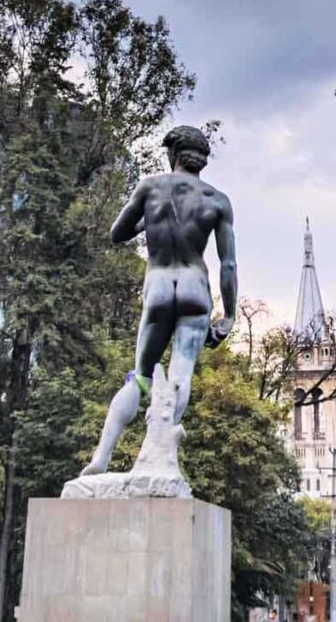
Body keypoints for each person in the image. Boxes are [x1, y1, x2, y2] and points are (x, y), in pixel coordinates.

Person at [81, 124, 238, 475]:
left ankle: (102, 457)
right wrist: (229, 315)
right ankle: (157, 455)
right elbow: (228, 263)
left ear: (173, 154)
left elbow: (117, 233)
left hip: (159, 285)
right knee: (181, 371)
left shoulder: (150, 187)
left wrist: (148, 222)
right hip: (196, 288)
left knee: (140, 376)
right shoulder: (217, 200)